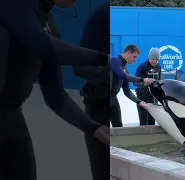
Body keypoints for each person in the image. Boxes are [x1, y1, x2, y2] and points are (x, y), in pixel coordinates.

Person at [0, 0, 110, 180]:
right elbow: (42, 45)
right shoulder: (13, 4)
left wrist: (94, 128)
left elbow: (55, 94)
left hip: (12, 116)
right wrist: (103, 59)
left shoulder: (48, 22)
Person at [71, 4, 109, 180]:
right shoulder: (103, 14)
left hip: (121, 108)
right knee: (102, 171)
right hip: (100, 106)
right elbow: (79, 67)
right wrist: (106, 72)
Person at [134, 48, 162, 126]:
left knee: (152, 121)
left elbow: (159, 80)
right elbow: (135, 82)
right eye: (153, 59)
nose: (155, 61)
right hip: (143, 96)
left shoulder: (158, 67)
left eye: (157, 59)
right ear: (149, 58)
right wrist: (144, 84)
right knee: (143, 121)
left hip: (153, 97)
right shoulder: (142, 66)